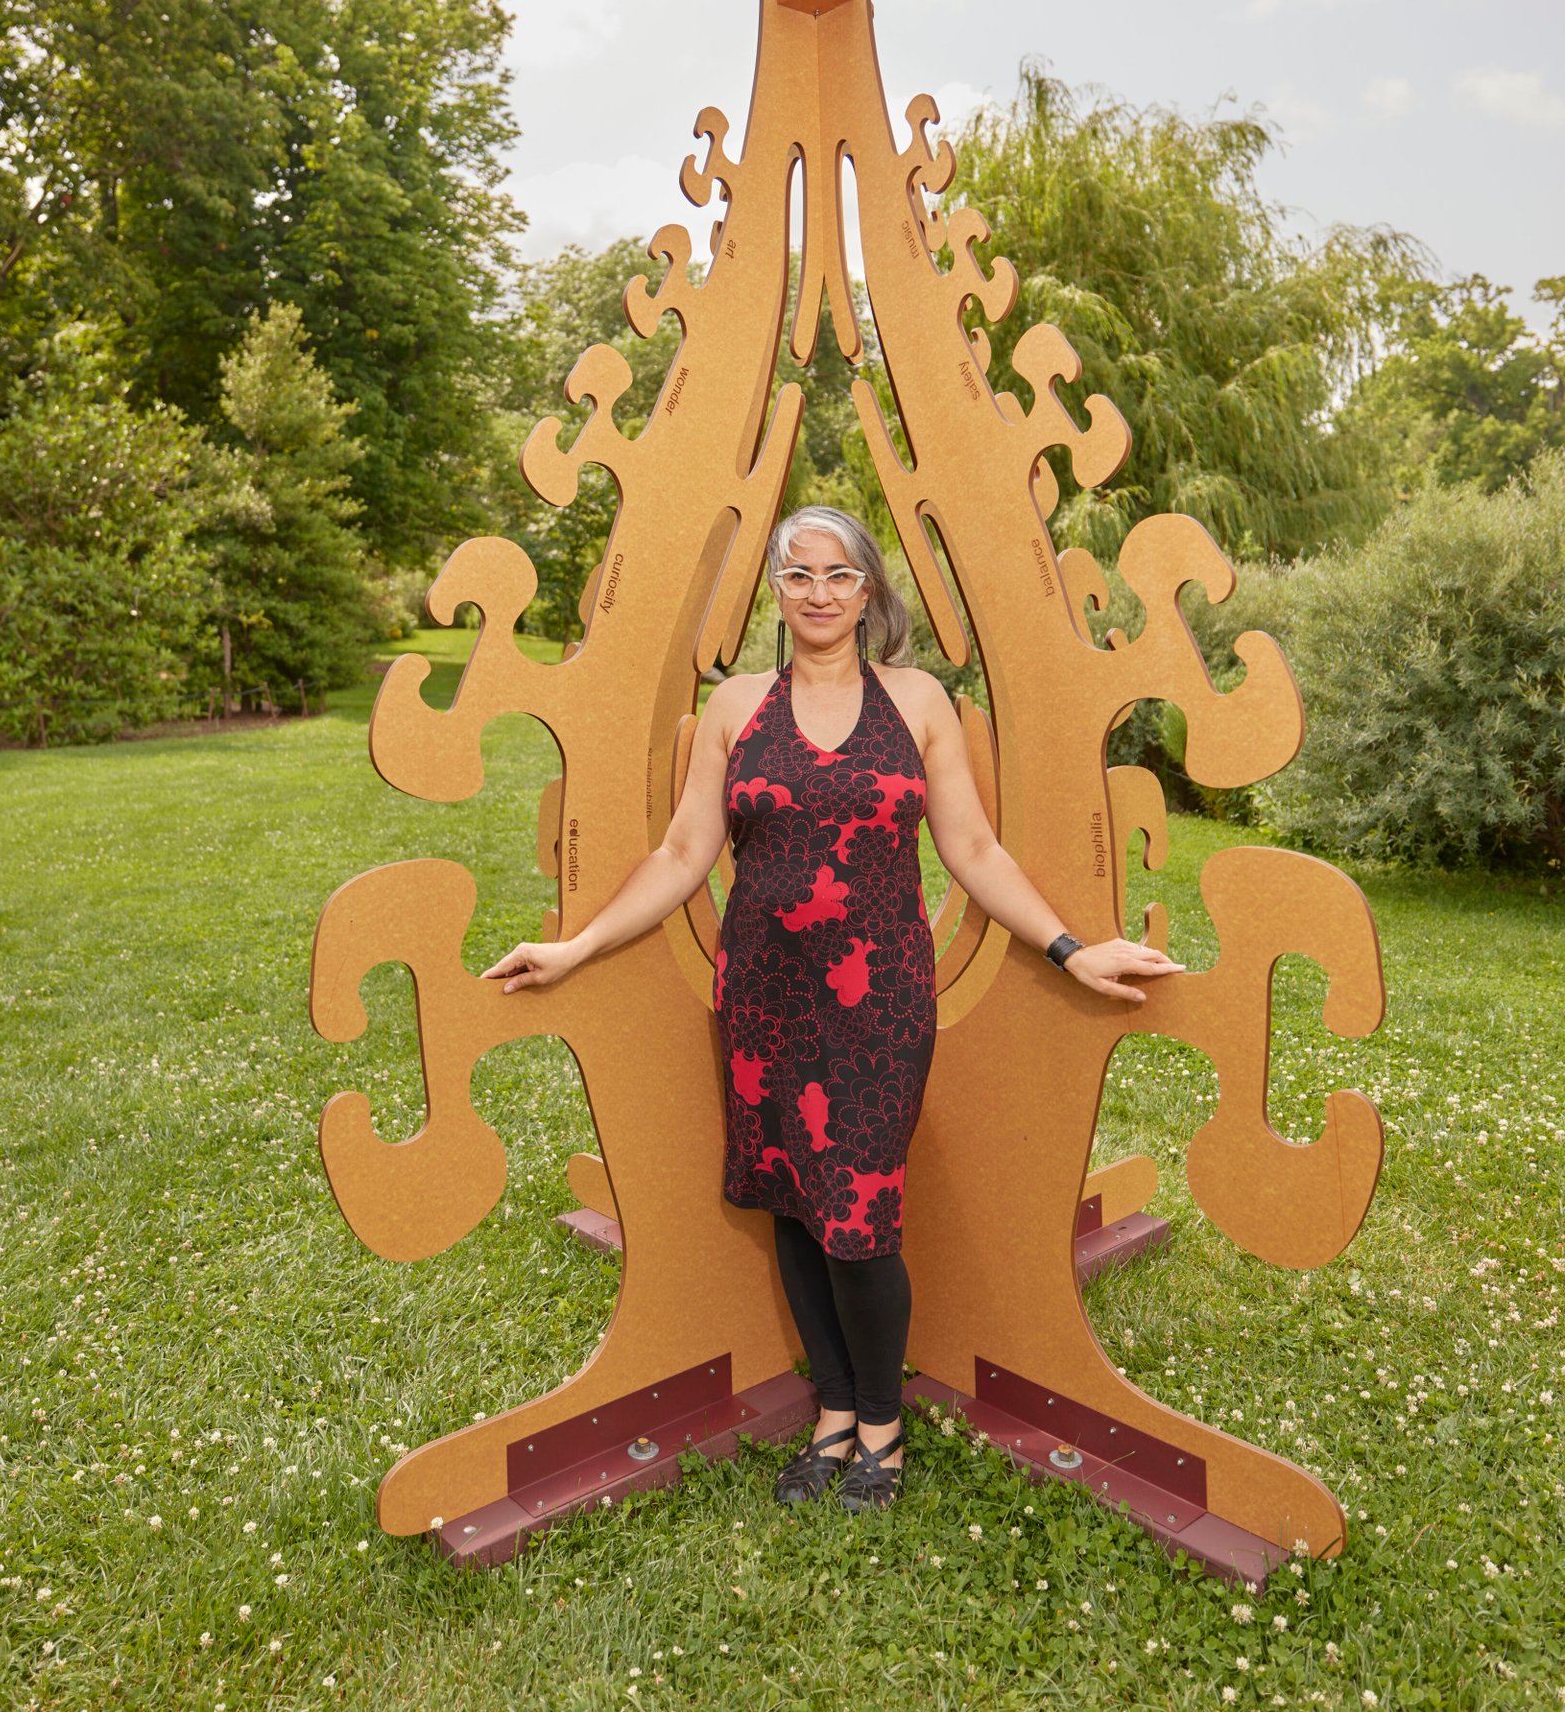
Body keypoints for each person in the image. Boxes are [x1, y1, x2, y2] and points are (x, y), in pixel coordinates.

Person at [484, 507, 1181, 1513]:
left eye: (839, 574)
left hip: (880, 1000)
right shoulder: (736, 707)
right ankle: (835, 1413)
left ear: (868, 591)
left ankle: (882, 1427)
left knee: (858, 1212)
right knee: (796, 1203)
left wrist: (1071, 948)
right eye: (799, 573)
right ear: (776, 586)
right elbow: (682, 854)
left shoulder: (917, 701)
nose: (819, 591)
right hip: (764, 995)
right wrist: (576, 944)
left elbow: (973, 849)